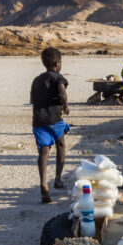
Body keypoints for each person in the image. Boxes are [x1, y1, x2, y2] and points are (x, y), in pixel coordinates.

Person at [30, 46, 69, 204]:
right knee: (61, 145)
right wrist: (65, 105)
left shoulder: (37, 80)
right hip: (55, 120)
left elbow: (32, 99)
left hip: (39, 120)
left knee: (44, 151)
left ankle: (43, 182)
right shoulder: (59, 78)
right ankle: (58, 179)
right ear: (58, 62)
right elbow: (62, 92)